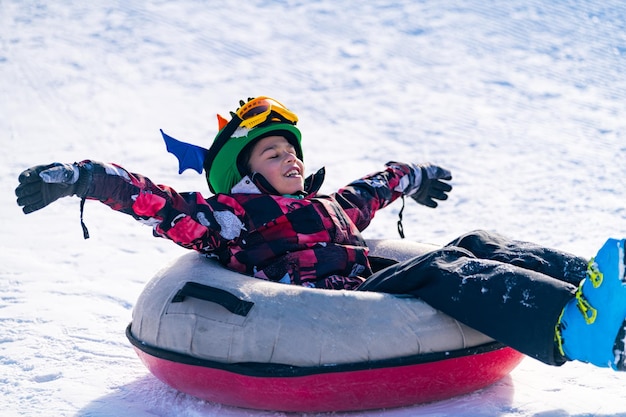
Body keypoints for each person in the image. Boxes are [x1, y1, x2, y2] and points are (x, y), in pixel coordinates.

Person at [15, 96, 626, 372]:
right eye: (275, 152)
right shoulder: (228, 218)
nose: (292, 160)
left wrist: (418, 176)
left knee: (476, 243)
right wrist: (82, 178)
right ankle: (582, 332)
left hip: (371, 280)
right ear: (247, 169)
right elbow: (152, 199)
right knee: (444, 270)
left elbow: (376, 186)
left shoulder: (329, 207)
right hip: (330, 302)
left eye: (293, 152)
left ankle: (594, 286)